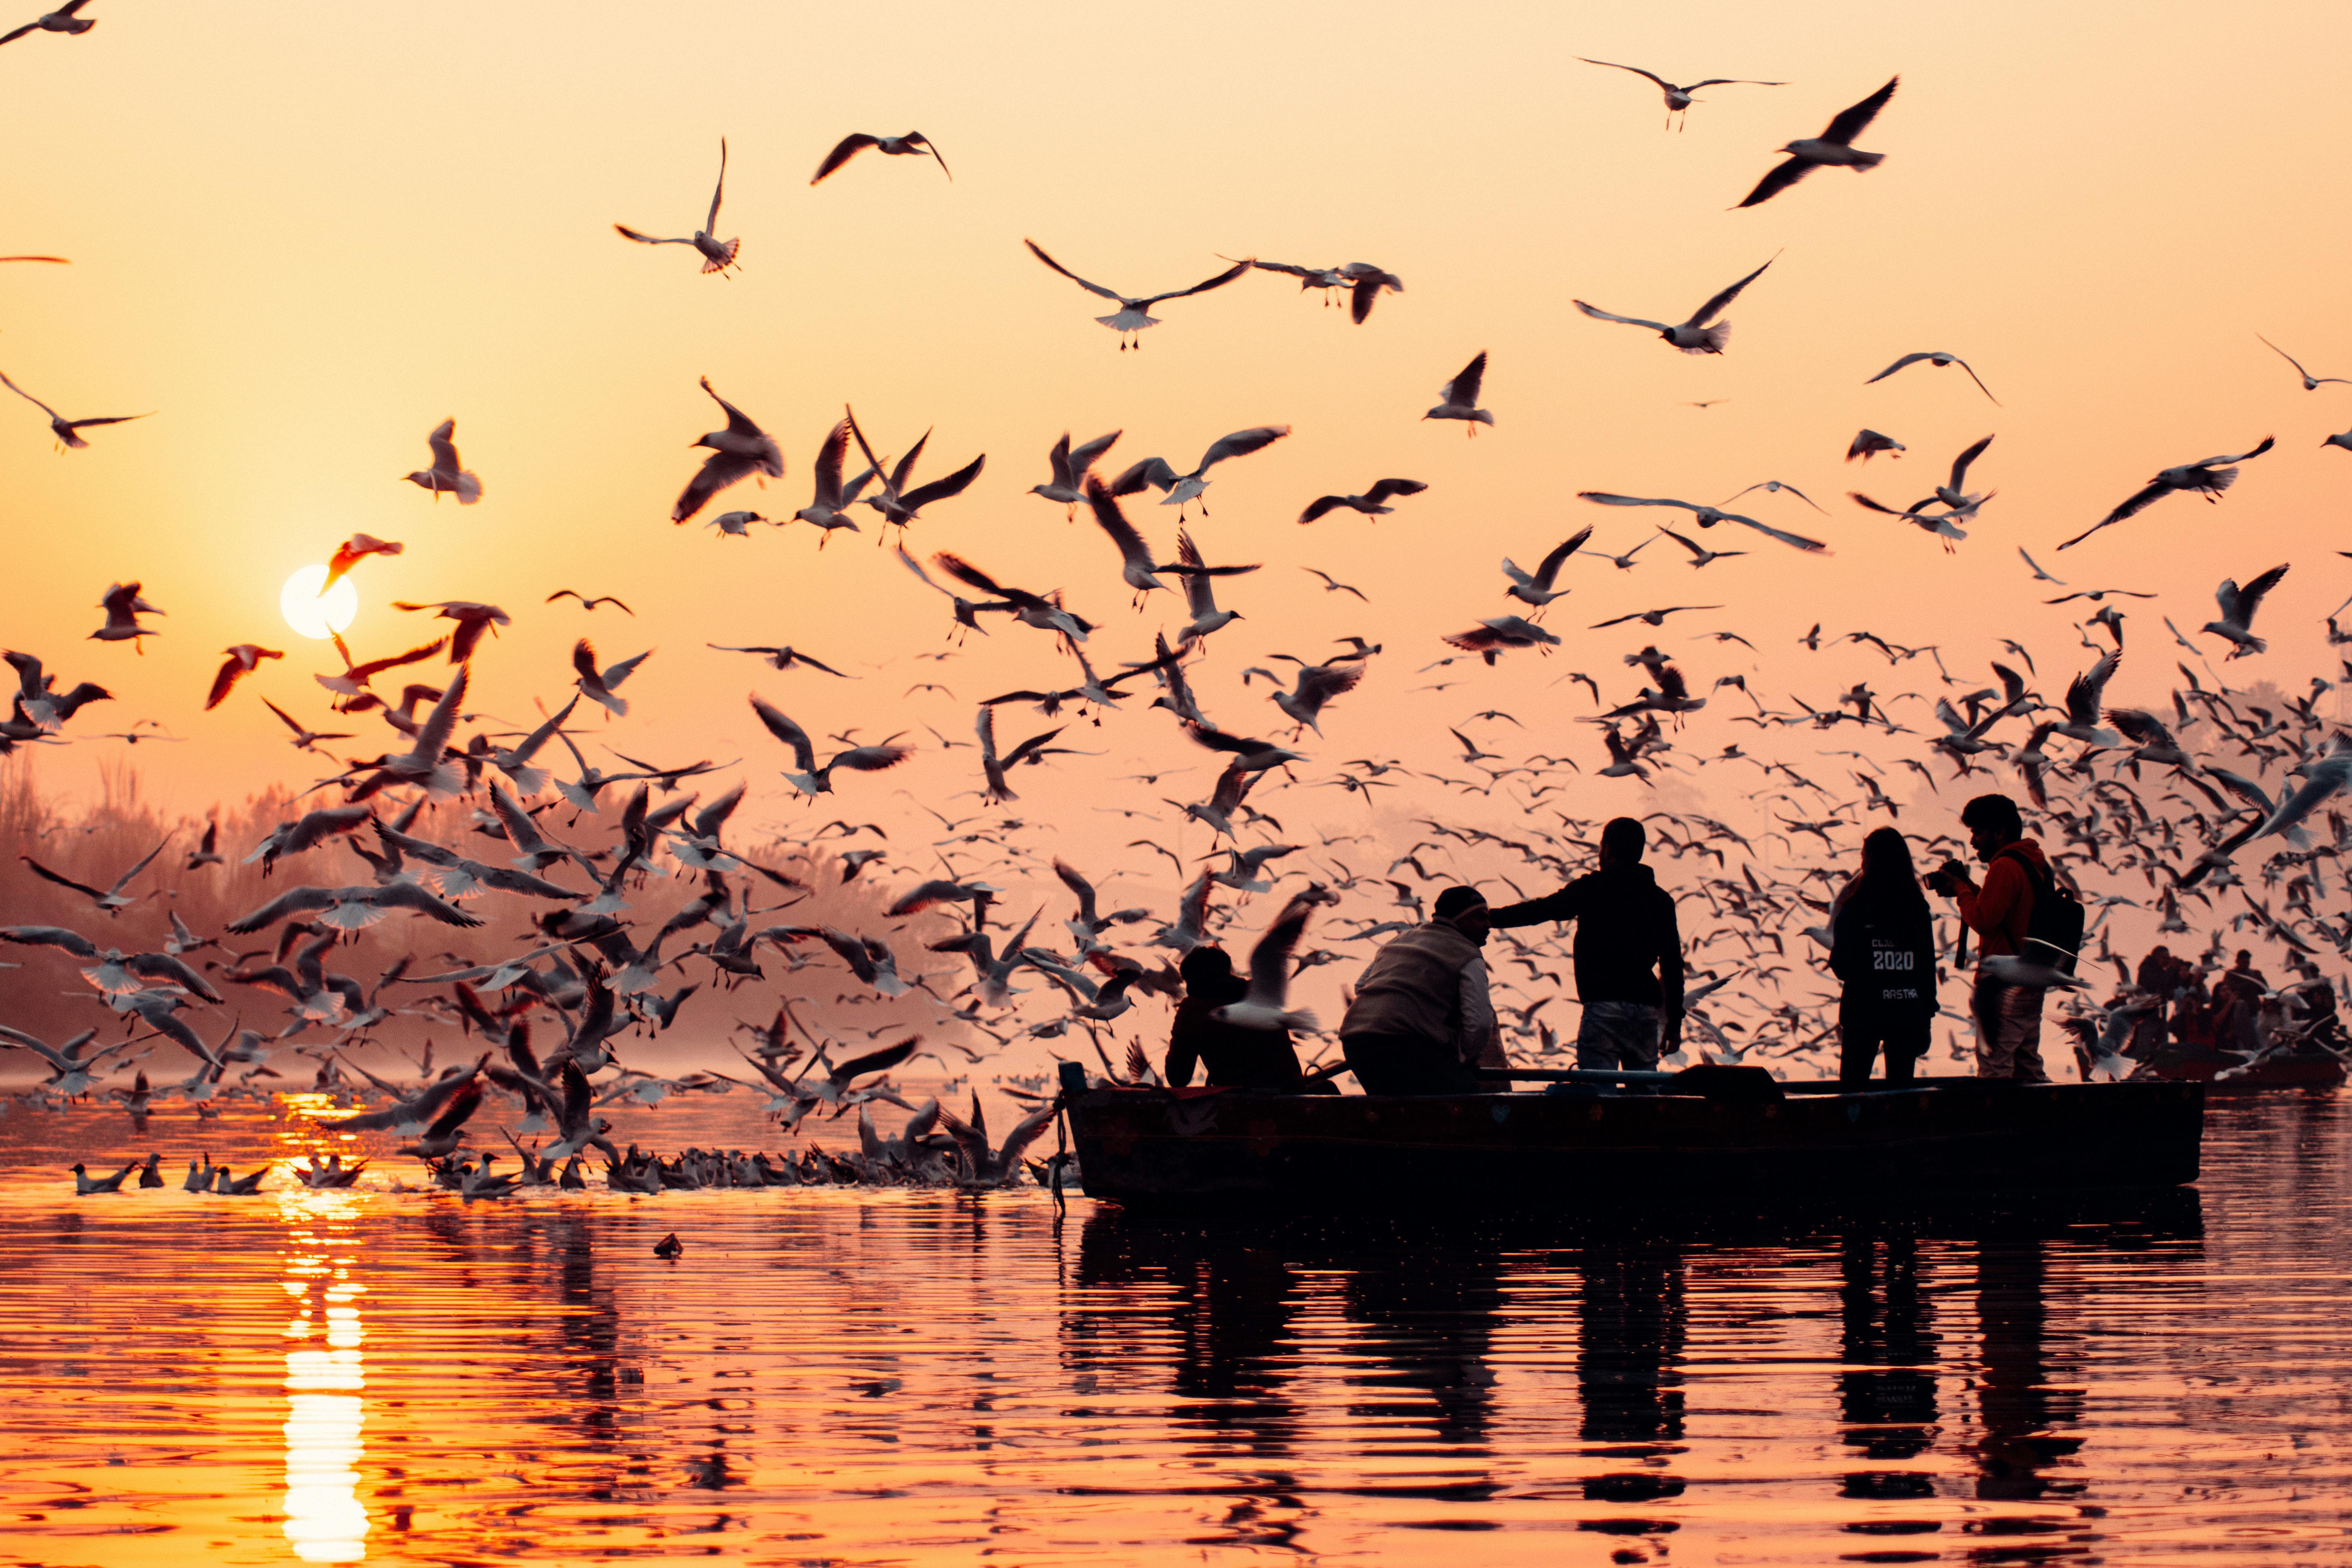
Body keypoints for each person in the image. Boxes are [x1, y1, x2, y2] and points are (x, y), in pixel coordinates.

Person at [1486, 817, 1684, 1073]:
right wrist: (1674, 1024)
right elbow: (1672, 966)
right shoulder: (1661, 901)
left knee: (1598, 1095)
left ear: (1607, 850)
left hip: (1603, 1008)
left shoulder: (1592, 888)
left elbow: (1541, 911)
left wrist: (1488, 918)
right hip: (1644, 1014)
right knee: (1645, 1095)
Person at [1928, 793, 2050, 1082]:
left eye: (1977, 833)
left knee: (1994, 1065)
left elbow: (1984, 921)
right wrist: (1967, 887)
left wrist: (1961, 890)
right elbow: (2002, 913)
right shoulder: (2032, 862)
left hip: (2004, 985)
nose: (1972, 842)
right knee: (2026, 1064)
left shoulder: (2005, 866)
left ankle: (1997, 1124)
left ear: (1999, 832)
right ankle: (2044, 1124)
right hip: (2031, 977)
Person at [1339, 886, 1503, 1094]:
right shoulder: (1468, 954)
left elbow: (1361, 986)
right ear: (1459, 919)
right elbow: (1480, 1024)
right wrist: (1464, 1059)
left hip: (1356, 1044)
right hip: (1405, 1047)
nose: (1489, 925)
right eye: (1480, 918)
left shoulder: (1400, 940)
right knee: (1471, 1104)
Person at [1828, 827, 1937, 1086]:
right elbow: (1926, 966)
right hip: (1908, 1013)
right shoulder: (1917, 907)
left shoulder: (1856, 908)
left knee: (1853, 1090)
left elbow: (1841, 965)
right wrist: (1926, 1018)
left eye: (1864, 855)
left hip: (1863, 1012)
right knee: (1901, 1090)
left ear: (1872, 859)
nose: (1862, 862)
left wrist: (1868, 971)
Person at [1164, 945, 1306, 1090]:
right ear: (1228, 971)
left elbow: (1177, 1078)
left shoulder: (1193, 1009)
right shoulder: (1259, 994)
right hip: (1295, 1096)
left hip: (1243, 1105)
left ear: (1190, 980)